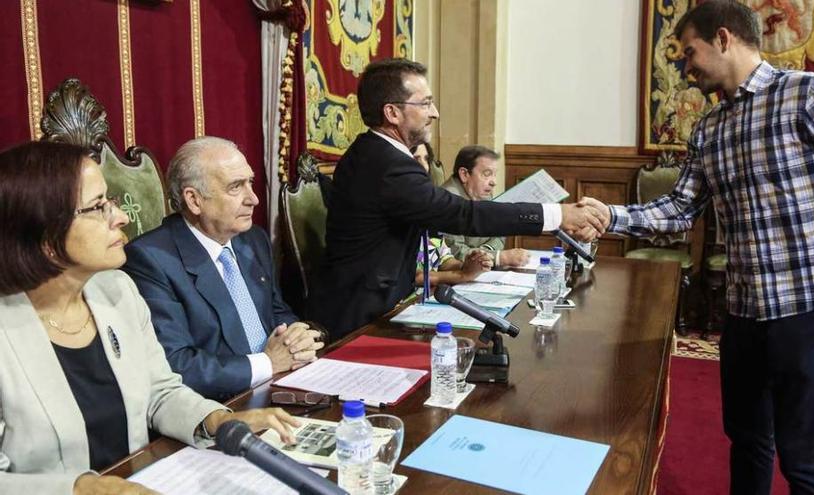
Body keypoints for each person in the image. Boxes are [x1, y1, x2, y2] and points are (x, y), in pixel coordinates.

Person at [587, 2, 814, 493]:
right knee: (746, 442)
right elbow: (679, 209)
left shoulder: (810, 94)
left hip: (808, 312)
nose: (684, 68)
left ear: (723, 38)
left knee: (804, 459)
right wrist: (606, 216)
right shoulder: (709, 128)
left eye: (689, 53)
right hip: (742, 315)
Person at [0, 141, 301, 495]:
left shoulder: (116, 291)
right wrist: (85, 489)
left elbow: (160, 392)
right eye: (99, 207)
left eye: (110, 201)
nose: (122, 216)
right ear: (45, 236)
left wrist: (219, 421)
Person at [307, 58, 605, 340]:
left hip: (383, 305)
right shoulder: (385, 165)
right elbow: (463, 215)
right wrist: (556, 216)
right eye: (425, 103)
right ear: (392, 113)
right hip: (359, 320)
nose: (435, 112)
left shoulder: (380, 155)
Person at [123, 137, 324, 400]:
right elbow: (176, 364)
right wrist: (268, 363)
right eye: (235, 187)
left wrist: (300, 336)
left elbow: (276, 311)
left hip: (282, 386)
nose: (253, 199)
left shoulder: (252, 240)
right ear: (194, 200)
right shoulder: (151, 259)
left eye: (250, 182)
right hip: (218, 407)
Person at [411, 143, 493, 287]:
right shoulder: (393, 211)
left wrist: (468, 265)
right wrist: (463, 275)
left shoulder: (426, 207)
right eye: (416, 159)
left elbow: (444, 259)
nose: (424, 166)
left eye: (426, 159)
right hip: (399, 304)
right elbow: (415, 276)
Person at [441, 145, 531, 269]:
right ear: (464, 174)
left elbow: (500, 232)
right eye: (487, 174)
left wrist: (485, 252)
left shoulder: (481, 192)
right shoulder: (447, 201)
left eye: (494, 175)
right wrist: (500, 257)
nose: (494, 182)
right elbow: (454, 253)